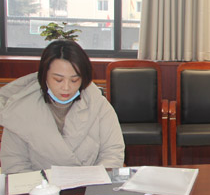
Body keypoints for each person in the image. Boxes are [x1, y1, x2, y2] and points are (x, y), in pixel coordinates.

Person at [0, 40, 124, 174]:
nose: (66, 87)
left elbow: (112, 153)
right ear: (44, 76)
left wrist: (94, 179)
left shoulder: (98, 104)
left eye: (74, 80)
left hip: (90, 183)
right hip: (38, 185)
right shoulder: (19, 109)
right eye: (58, 80)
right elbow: (14, 165)